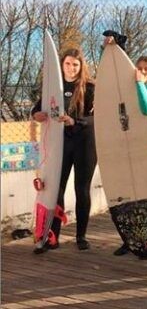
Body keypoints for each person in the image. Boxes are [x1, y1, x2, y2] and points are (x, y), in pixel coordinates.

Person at [31, 46, 97, 252]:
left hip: (85, 143)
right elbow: (38, 107)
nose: (71, 68)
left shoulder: (90, 87)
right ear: (62, 65)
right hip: (61, 144)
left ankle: (81, 236)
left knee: (81, 189)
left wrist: (74, 121)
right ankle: (52, 236)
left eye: (75, 65)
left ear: (81, 66)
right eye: (67, 64)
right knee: (56, 189)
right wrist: (36, 115)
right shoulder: (55, 86)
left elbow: (95, 117)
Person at [112, 51, 147, 257]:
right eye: (140, 68)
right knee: (129, 194)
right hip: (128, 149)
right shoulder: (126, 92)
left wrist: (139, 85)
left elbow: (146, 110)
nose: (143, 72)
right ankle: (131, 239)